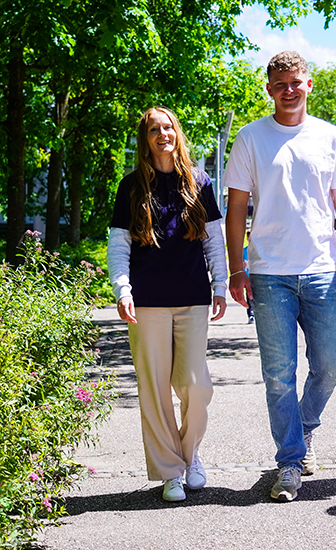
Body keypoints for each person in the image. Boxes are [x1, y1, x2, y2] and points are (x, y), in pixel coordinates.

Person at [222, 51, 336, 502]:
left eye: (295, 82)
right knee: (278, 374)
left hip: (322, 268)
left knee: (330, 365)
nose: (288, 90)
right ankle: (290, 461)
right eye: (280, 83)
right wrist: (237, 267)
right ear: (268, 87)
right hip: (268, 273)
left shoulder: (329, 136)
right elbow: (237, 208)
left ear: (308, 84)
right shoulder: (250, 138)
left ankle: (303, 430)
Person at [107, 106, 227, 502]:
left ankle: (191, 455)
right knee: (154, 388)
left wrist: (221, 285)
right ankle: (170, 470)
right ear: (146, 139)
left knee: (195, 384)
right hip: (147, 302)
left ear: (177, 133)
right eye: (154, 129)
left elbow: (214, 240)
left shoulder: (200, 182)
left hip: (192, 297)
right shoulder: (131, 187)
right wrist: (122, 289)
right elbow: (119, 245)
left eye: (168, 127)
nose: (163, 134)